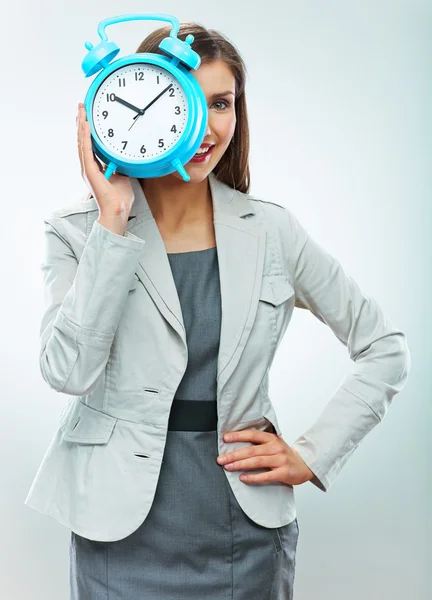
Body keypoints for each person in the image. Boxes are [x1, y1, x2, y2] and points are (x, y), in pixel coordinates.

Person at [25, 22, 411, 600]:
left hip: (241, 528)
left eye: (223, 103)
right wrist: (113, 221)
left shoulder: (272, 230)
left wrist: (311, 454)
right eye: (186, 102)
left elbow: (384, 348)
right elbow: (67, 372)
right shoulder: (78, 233)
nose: (207, 127)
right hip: (116, 528)